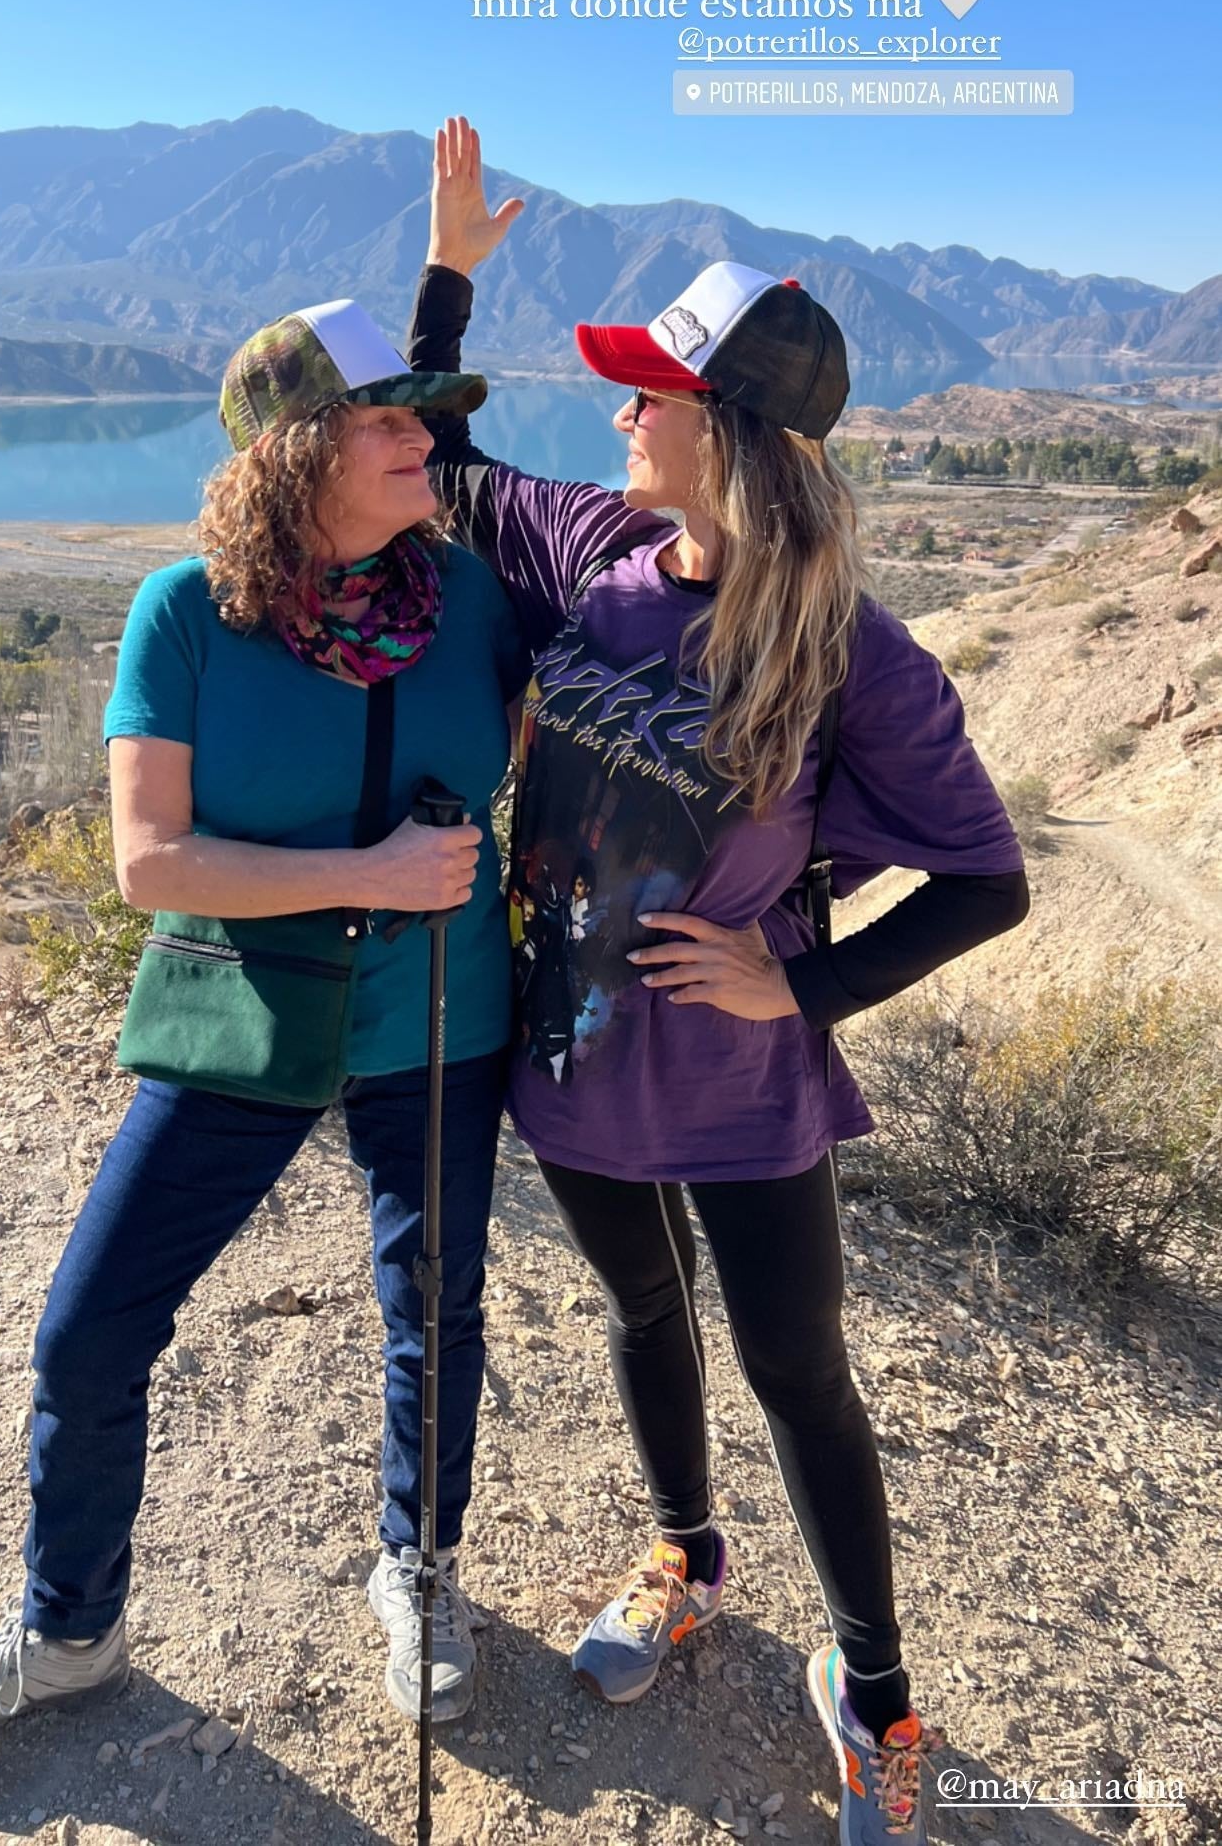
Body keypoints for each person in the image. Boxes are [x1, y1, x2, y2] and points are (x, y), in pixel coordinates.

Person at [406, 117, 1031, 1845]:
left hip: (746, 1090)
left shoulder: (847, 651)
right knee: (635, 1311)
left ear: (728, 434)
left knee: (797, 1368)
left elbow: (989, 877)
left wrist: (797, 987)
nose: (617, 413)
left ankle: (877, 1693)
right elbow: (434, 454)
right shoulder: (589, 558)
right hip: (572, 1059)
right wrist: (448, 270)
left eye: (648, 392)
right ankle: (685, 1552)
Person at [0, 292, 531, 1750]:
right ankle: (70, 1627)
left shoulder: (471, 603)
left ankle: (422, 1562)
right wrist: (370, 872)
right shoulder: (185, 613)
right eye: (390, 419)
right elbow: (148, 859)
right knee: (89, 1329)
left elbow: (522, 757)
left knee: (434, 1311)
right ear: (296, 453)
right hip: (245, 1012)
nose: (425, 439)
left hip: (438, 1015)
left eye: (422, 412)